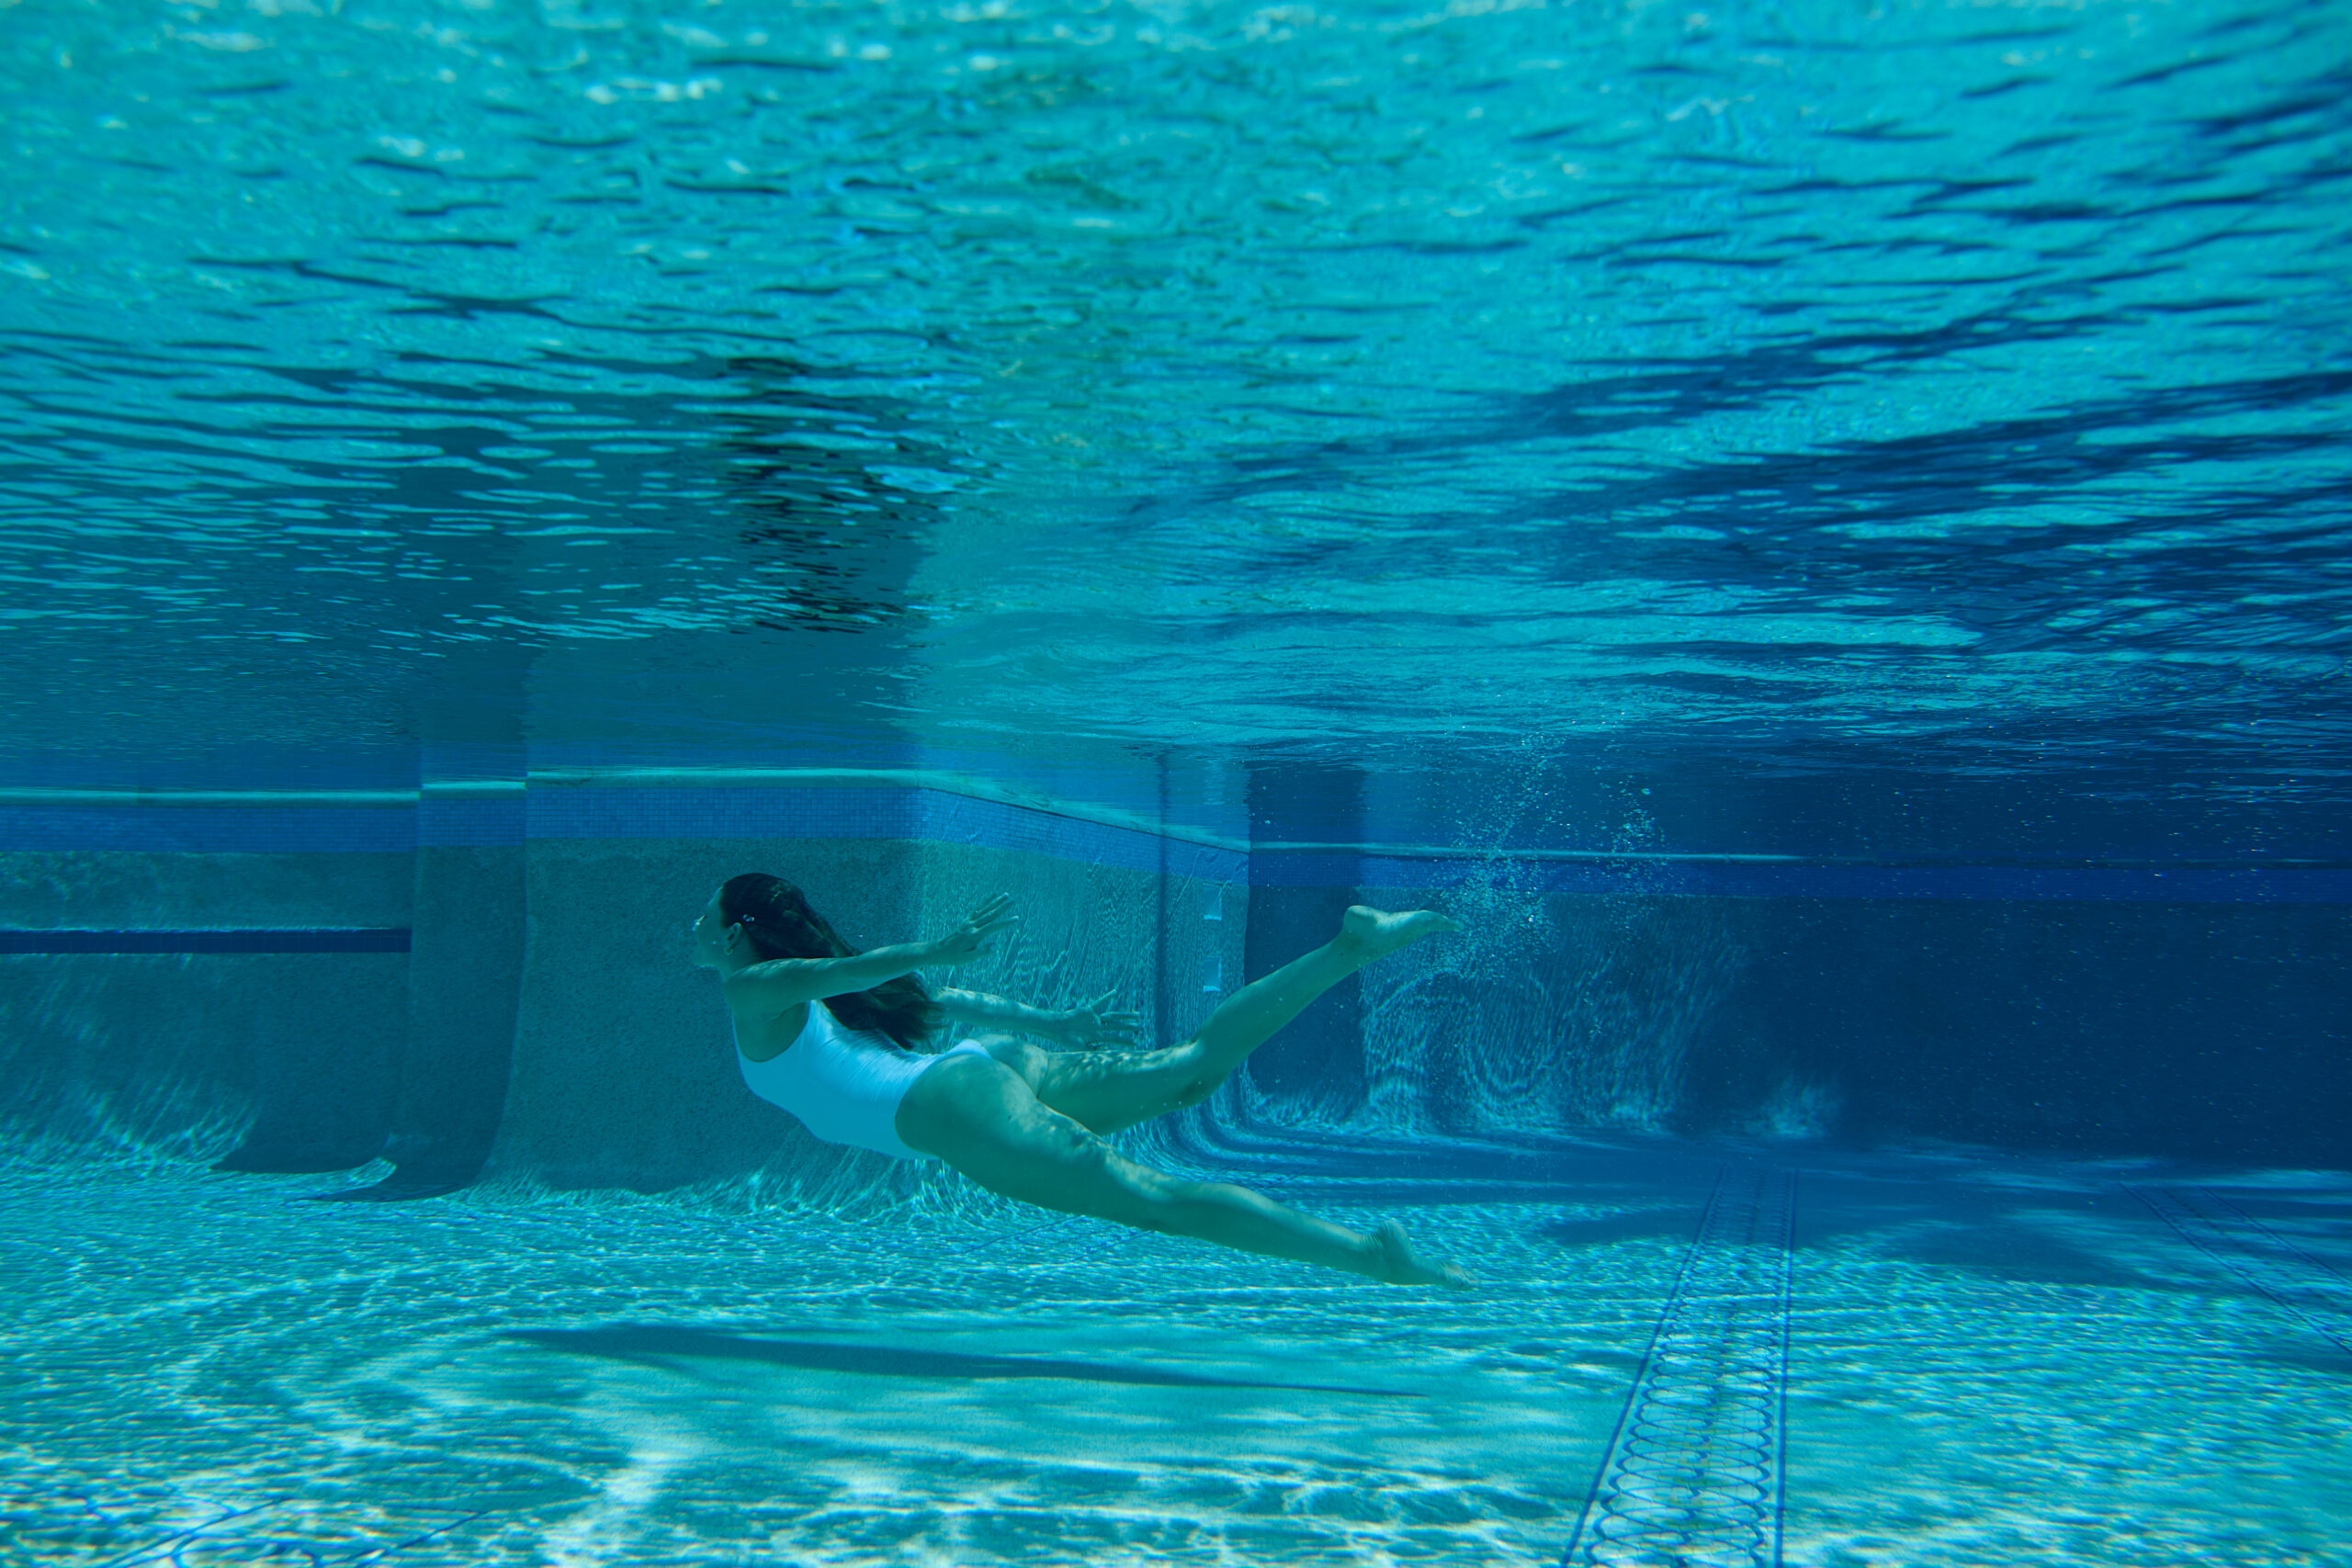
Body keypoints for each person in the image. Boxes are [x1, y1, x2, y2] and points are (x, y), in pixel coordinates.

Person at [690, 873, 1467, 1287]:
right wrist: (1049, 1027)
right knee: (1191, 1069)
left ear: (733, 935)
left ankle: (1373, 1256)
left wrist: (933, 947)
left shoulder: (749, 992)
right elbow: (941, 1004)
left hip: (955, 1108)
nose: (694, 926)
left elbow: (835, 967)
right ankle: (1349, 949)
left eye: (705, 916)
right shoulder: (817, 1007)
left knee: (1155, 1200)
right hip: (978, 1069)